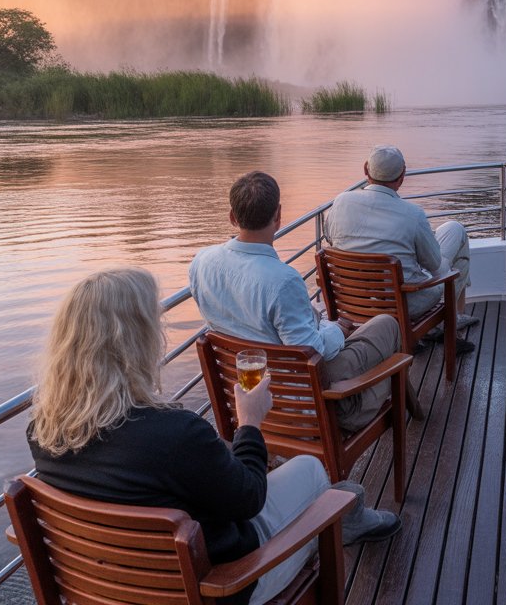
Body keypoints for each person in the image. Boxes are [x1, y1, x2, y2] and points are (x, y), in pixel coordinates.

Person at [28, 269, 398, 605]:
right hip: (225, 584)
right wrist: (249, 424)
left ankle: (347, 512)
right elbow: (249, 498)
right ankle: (344, 517)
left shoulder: (44, 431)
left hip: (110, 585)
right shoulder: (173, 434)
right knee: (312, 471)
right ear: (137, 343)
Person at [190, 172, 405, 451]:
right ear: (278, 216)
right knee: (387, 327)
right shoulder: (282, 280)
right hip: (298, 403)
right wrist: (336, 330)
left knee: (369, 333)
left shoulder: (201, 263)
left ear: (232, 217)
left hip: (243, 400)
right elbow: (312, 352)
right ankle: (389, 392)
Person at [323, 145, 477, 352]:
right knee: (456, 238)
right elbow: (436, 268)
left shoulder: (341, 202)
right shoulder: (412, 214)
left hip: (352, 300)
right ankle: (450, 326)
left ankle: (450, 321)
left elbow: (330, 239)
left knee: (444, 237)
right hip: (403, 304)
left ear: (365, 170)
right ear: (402, 175)